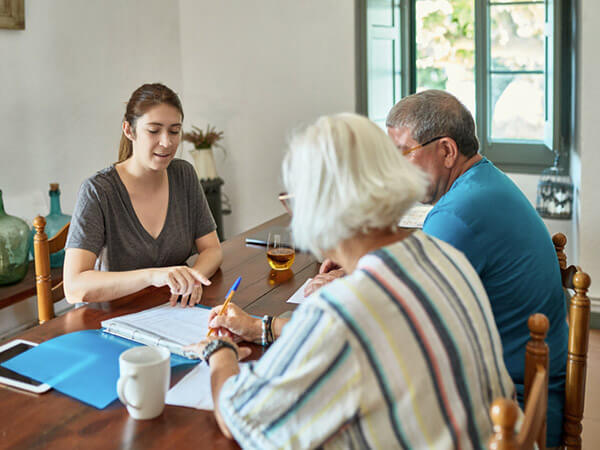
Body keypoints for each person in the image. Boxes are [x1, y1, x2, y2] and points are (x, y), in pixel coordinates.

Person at [186, 113, 515, 449]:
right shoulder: (443, 255)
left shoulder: (341, 314)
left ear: (317, 207)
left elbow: (241, 417)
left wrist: (219, 351)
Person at [307, 90, 568, 447]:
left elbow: (392, 314)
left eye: (402, 153)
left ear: (446, 151)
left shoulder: (458, 214)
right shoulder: (481, 184)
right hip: (529, 379)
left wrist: (332, 289)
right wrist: (356, 264)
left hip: (509, 407)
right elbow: (416, 267)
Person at [63, 83, 222, 306]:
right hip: (110, 318)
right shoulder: (99, 191)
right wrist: (153, 276)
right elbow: (74, 288)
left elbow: (212, 249)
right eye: (154, 130)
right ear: (129, 130)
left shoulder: (183, 175)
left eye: (174, 131)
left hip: (170, 309)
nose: (166, 142)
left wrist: (193, 279)